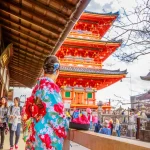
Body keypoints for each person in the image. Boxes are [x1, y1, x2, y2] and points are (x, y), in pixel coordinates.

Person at [22, 55, 68, 150]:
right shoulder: (51, 88)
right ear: (57, 71)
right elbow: (57, 116)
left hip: (35, 135)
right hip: (46, 139)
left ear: (44, 70)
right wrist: (67, 123)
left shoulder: (36, 88)